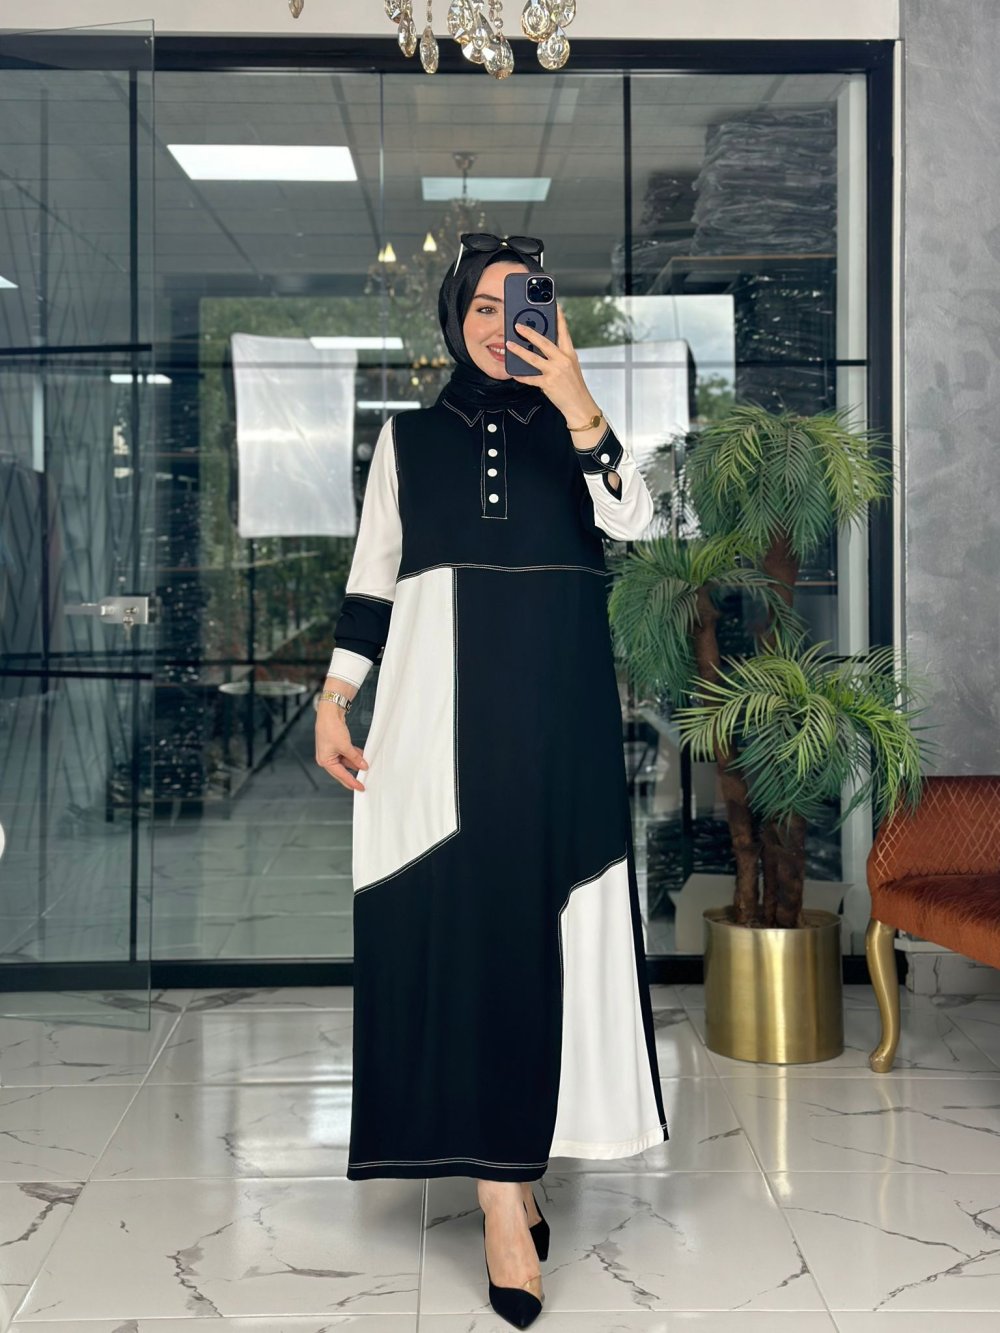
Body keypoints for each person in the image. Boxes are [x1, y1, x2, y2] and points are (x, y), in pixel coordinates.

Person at [314, 232, 668, 1329]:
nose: (496, 321)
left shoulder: (577, 431)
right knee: (463, 938)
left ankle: (517, 1158)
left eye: (517, 303)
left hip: (559, 726)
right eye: (478, 304)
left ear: (547, 318)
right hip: (434, 734)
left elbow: (643, 519)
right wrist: (334, 697)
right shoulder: (407, 440)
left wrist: (580, 402)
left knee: (545, 935)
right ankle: (501, 1198)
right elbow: (373, 580)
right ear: (452, 319)